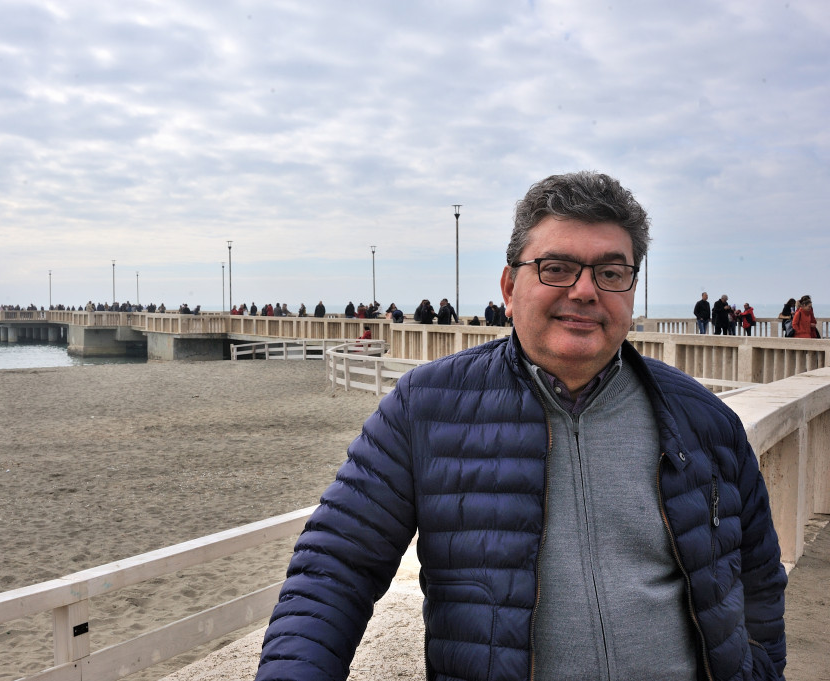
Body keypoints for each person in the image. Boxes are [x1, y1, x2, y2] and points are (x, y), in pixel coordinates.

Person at [254, 171, 786, 681]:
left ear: (631, 292)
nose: (584, 291)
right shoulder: (427, 406)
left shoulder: (703, 419)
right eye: (556, 267)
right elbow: (335, 567)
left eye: (610, 272)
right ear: (510, 288)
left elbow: (759, 580)